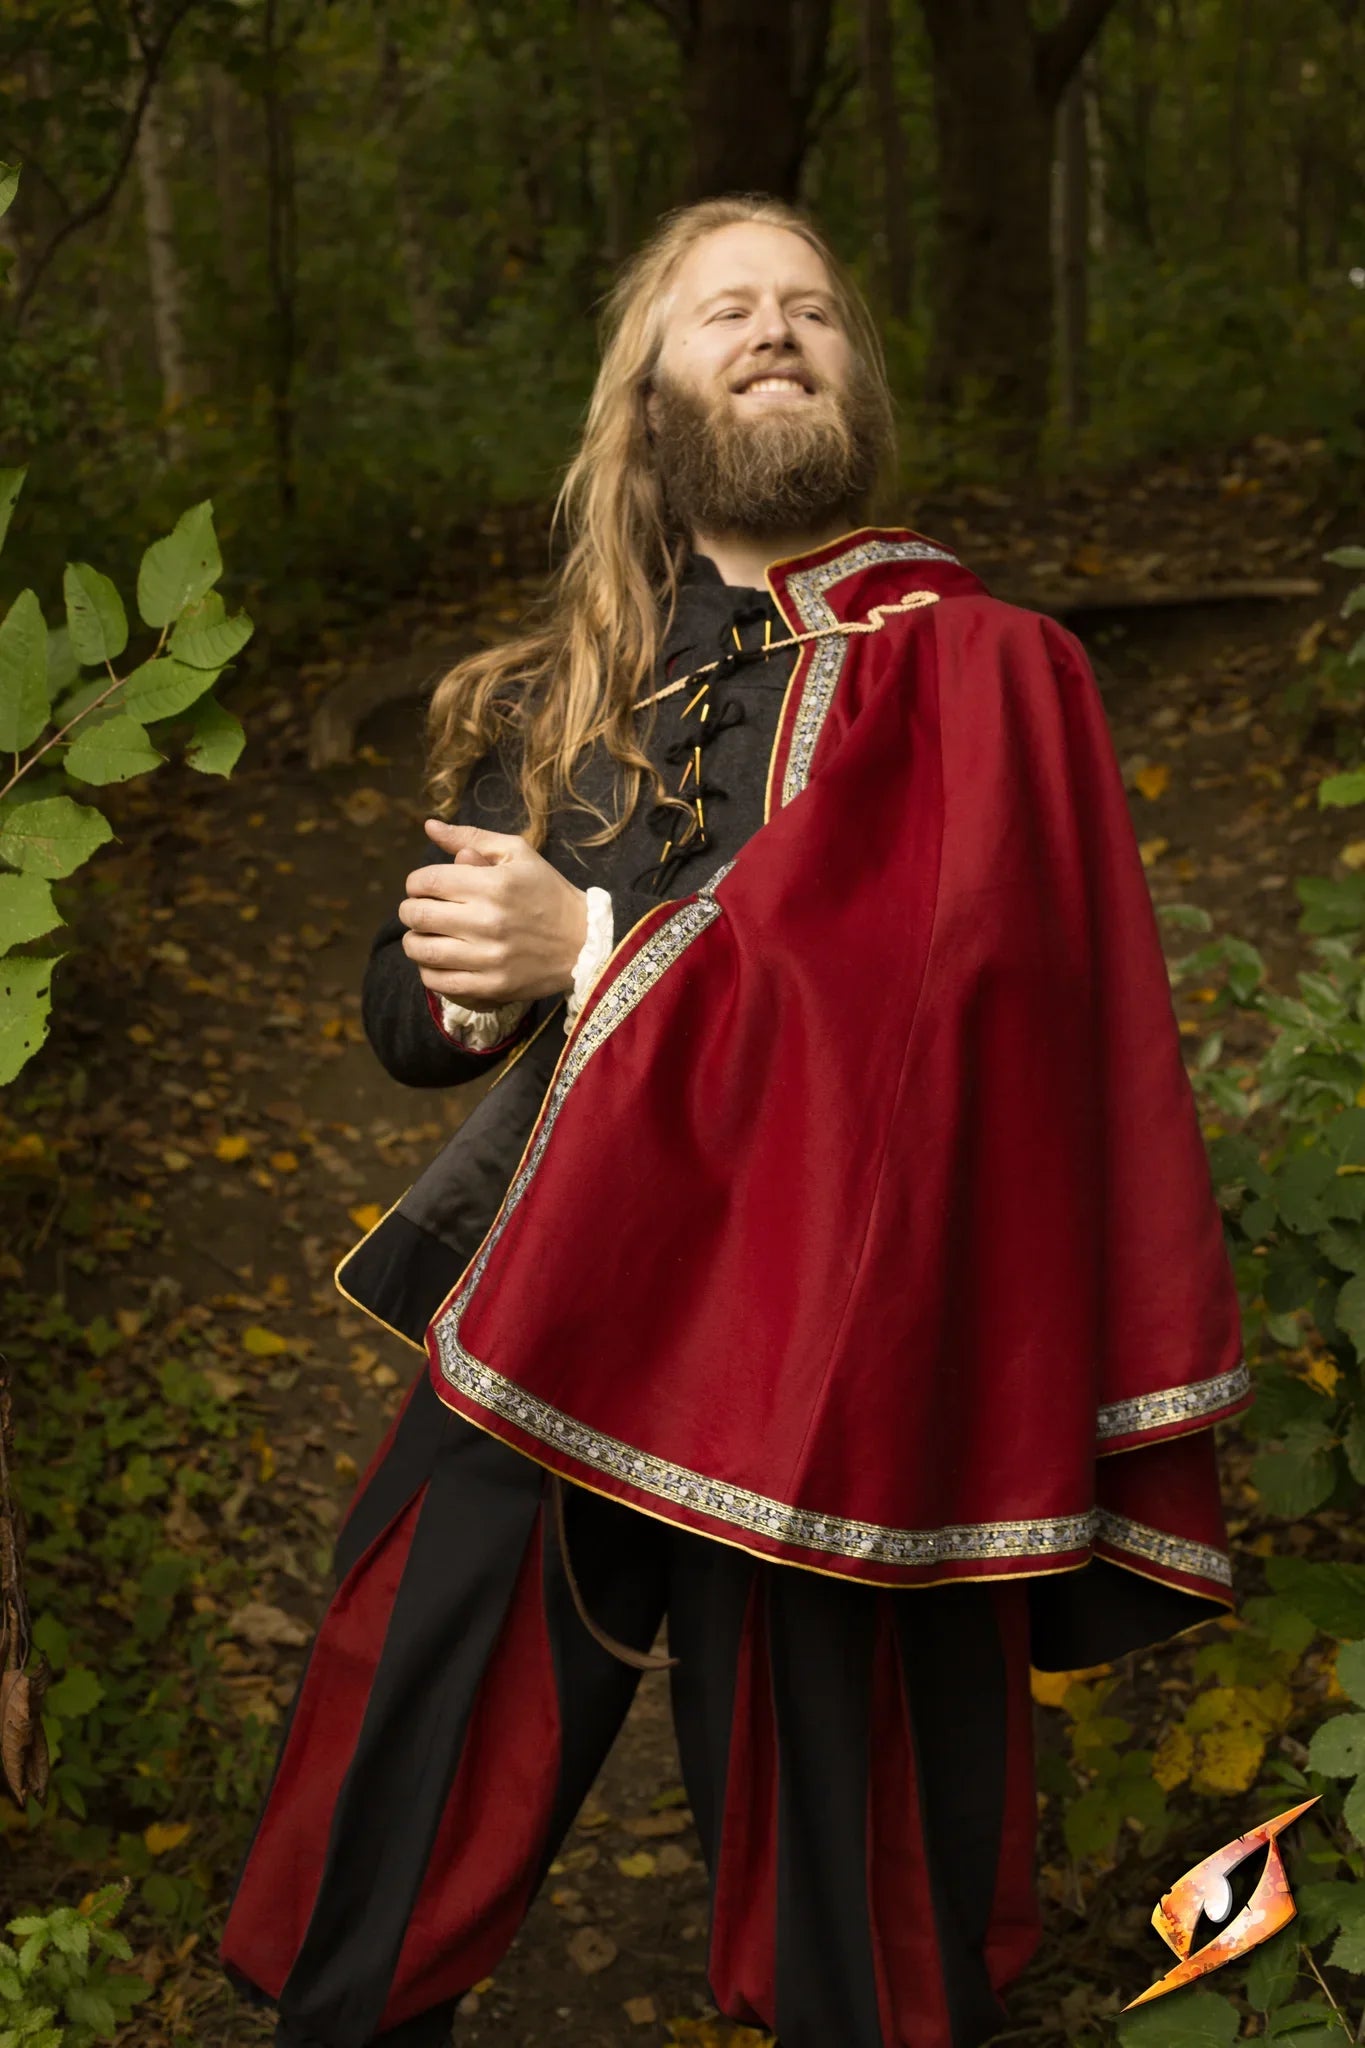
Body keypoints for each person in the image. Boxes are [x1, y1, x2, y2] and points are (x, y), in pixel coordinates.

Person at [219, 194, 1253, 2048]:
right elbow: (406, 1013)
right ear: (648, 406)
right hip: (559, 1312)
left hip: (848, 1352)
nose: (778, 331)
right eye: (725, 315)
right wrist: (479, 973)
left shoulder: (990, 673)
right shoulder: (551, 703)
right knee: (402, 1745)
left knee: (867, 1874)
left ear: (854, 381)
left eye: (812, 312)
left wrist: (595, 939)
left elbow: (946, 1010)